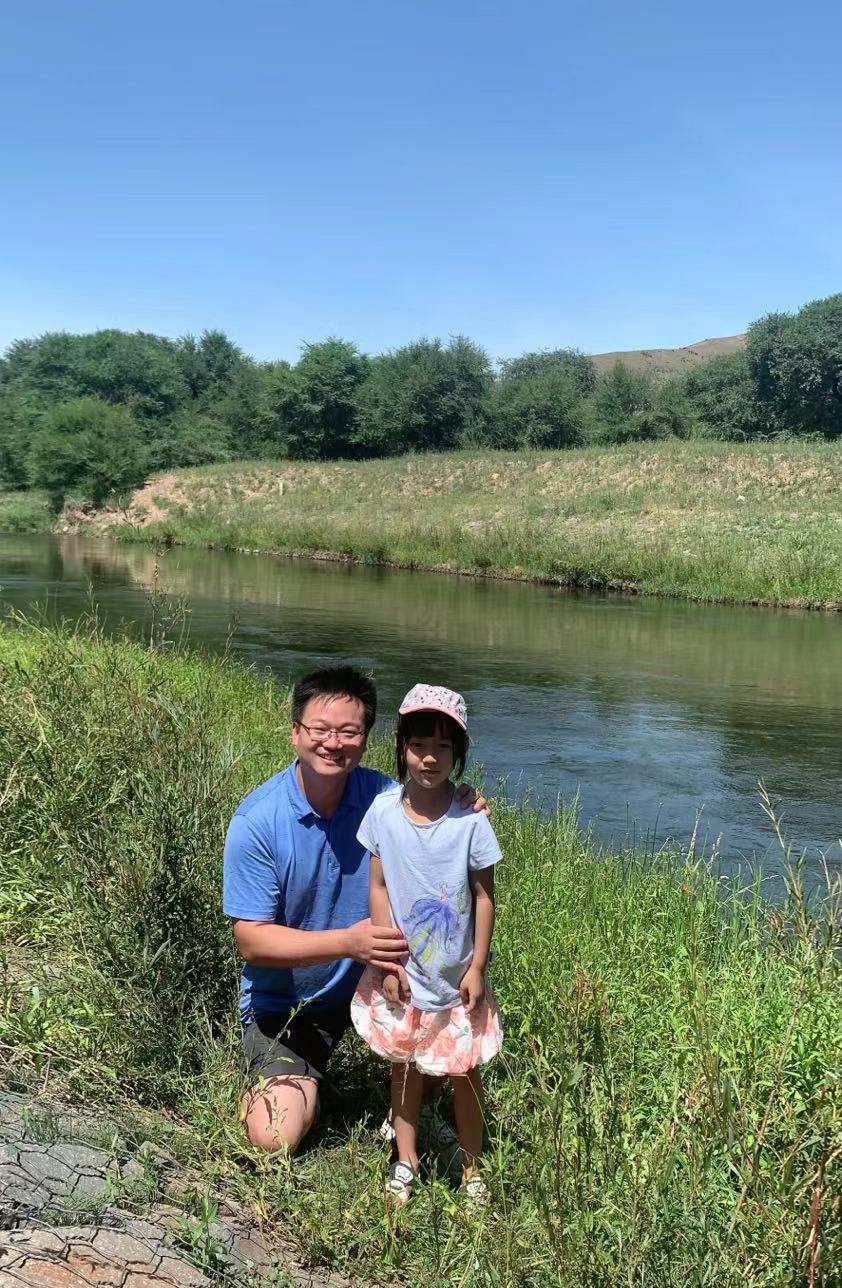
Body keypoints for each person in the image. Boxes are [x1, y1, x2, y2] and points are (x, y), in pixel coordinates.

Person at [222, 664, 484, 1154]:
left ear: (366, 740)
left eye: (349, 732)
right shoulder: (258, 821)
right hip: (290, 1006)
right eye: (320, 730)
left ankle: (405, 1103)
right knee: (273, 1137)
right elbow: (250, 940)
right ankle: (303, 1082)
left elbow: (439, 808)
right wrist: (348, 943)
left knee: (442, 1056)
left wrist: (465, 801)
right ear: (295, 732)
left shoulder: (386, 799)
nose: (333, 743)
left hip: (386, 983)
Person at [350, 684, 503, 1207]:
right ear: (400, 745)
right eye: (418, 745)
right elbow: (377, 887)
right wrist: (388, 961)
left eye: (442, 746)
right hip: (404, 973)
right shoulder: (383, 813)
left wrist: (476, 966)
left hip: (456, 980)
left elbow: (484, 897)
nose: (430, 758)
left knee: (465, 1073)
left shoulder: (470, 820)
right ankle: (406, 1159)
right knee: (404, 1067)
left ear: (459, 751)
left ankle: (473, 1169)